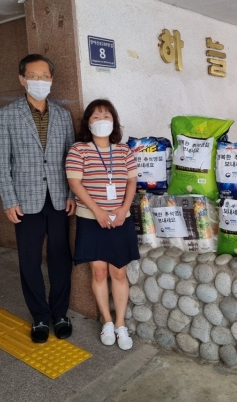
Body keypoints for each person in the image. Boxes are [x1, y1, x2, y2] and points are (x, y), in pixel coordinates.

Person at [0, 54, 76, 343]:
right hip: (24, 201)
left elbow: (70, 160)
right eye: (33, 75)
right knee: (29, 260)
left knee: (60, 258)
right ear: (22, 79)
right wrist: (8, 199)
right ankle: (40, 317)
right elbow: (2, 163)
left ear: (51, 79)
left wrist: (70, 194)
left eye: (45, 76)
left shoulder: (63, 116)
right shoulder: (7, 115)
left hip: (58, 199)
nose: (39, 81)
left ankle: (60, 313)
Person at [65, 99, 140, 350]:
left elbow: (131, 183)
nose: (101, 121)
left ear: (114, 122)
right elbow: (75, 183)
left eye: (106, 116)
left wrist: (123, 209)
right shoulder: (78, 150)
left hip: (120, 219)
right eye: (95, 117)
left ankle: (120, 324)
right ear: (88, 122)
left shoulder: (124, 151)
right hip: (91, 219)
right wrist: (97, 211)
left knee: (118, 272)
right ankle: (106, 321)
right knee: (98, 271)